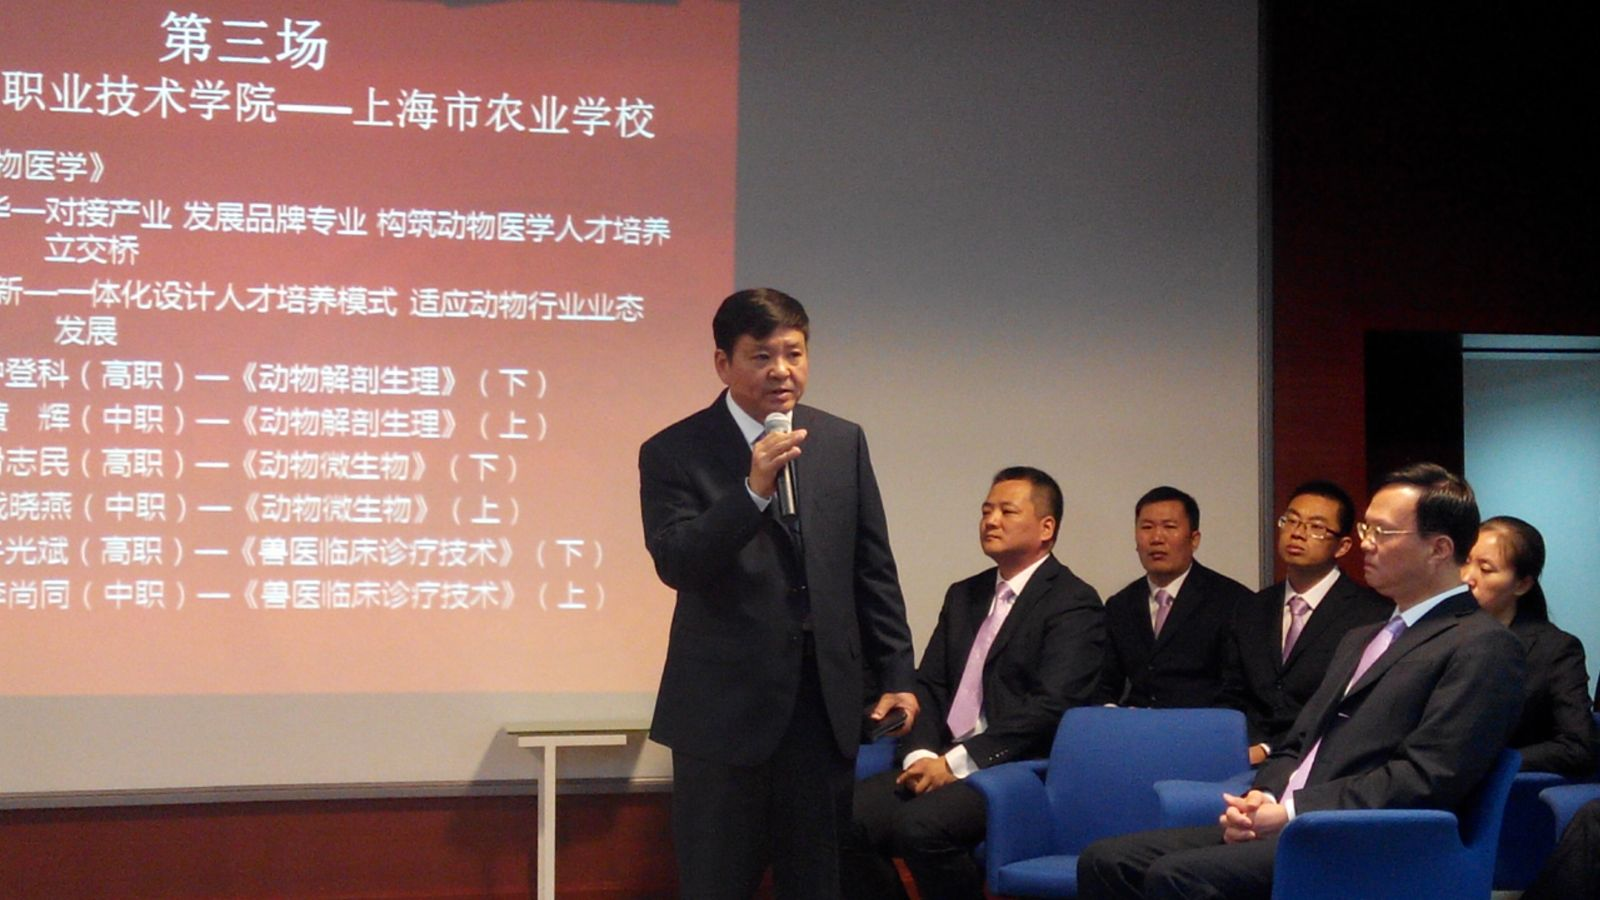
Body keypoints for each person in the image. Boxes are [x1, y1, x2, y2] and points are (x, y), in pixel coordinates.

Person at [1078, 462, 1527, 900]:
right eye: (1366, 529)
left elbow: (1426, 777)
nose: (1366, 543)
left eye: (1382, 532)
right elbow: (1297, 742)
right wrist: (1261, 796)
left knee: (1178, 876)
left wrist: (1292, 812)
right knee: (1106, 860)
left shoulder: (1480, 644)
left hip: (1365, 840)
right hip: (1294, 822)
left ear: (1439, 549)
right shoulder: (1363, 637)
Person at [639, 288, 920, 899]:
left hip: (822, 710)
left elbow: (872, 567)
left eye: (794, 353)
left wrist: (898, 672)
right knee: (717, 884)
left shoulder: (841, 441)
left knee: (818, 883)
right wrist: (751, 492)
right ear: (724, 363)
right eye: (762, 356)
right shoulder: (673, 451)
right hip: (722, 716)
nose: (782, 370)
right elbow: (678, 561)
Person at [843, 467, 1106, 900]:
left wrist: (954, 765)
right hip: (941, 757)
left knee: (919, 827)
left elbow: (1051, 707)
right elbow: (930, 685)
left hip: (1015, 768)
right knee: (844, 819)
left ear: (1046, 528)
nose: (991, 521)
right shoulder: (964, 594)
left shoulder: (1073, 601)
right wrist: (922, 753)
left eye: (1007, 511)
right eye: (986, 511)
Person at [1220, 481, 1389, 764]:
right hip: (1241, 756)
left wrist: (1269, 749)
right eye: (1291, 520)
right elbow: (1232, 693)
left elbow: (1352, 709)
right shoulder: (1251, 607)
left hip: (1320, 762)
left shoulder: (1371, 615)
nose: (1298, 533)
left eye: (1316, 527)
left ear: (1343, 546)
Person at [1093, 486, 1253, 708]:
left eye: (1169, 527)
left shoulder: (1232, 601)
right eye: (1147, 527)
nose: (1157, 538)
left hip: (1201, 724)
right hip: (1134, 723)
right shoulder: (1120, 605)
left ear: (1194, 539)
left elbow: (1238, 689)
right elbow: (1105, 685)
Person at [1463, 515, 1598, 776]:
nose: (1467, 577)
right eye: (1465, 562)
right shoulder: (1438, 632)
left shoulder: (1555, 650)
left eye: (1486, 569)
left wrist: (1492, 765)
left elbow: (1577, 746)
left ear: (1522, 584)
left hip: (1503, 789)